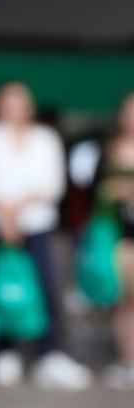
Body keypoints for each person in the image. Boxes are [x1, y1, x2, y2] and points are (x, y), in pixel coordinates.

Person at [0, 81, 92, 389]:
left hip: (36, 224)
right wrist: (6, 215)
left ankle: (49, 354)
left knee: (46, 287)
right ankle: (3, 351)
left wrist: (20, 210)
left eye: (19, 101)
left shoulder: (45, 139)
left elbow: (52, 183)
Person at [93, 91, 134, 388]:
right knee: (126, 299)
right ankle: (128, 359)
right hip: (121, 233)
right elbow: (95, 190)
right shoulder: (108, 150)